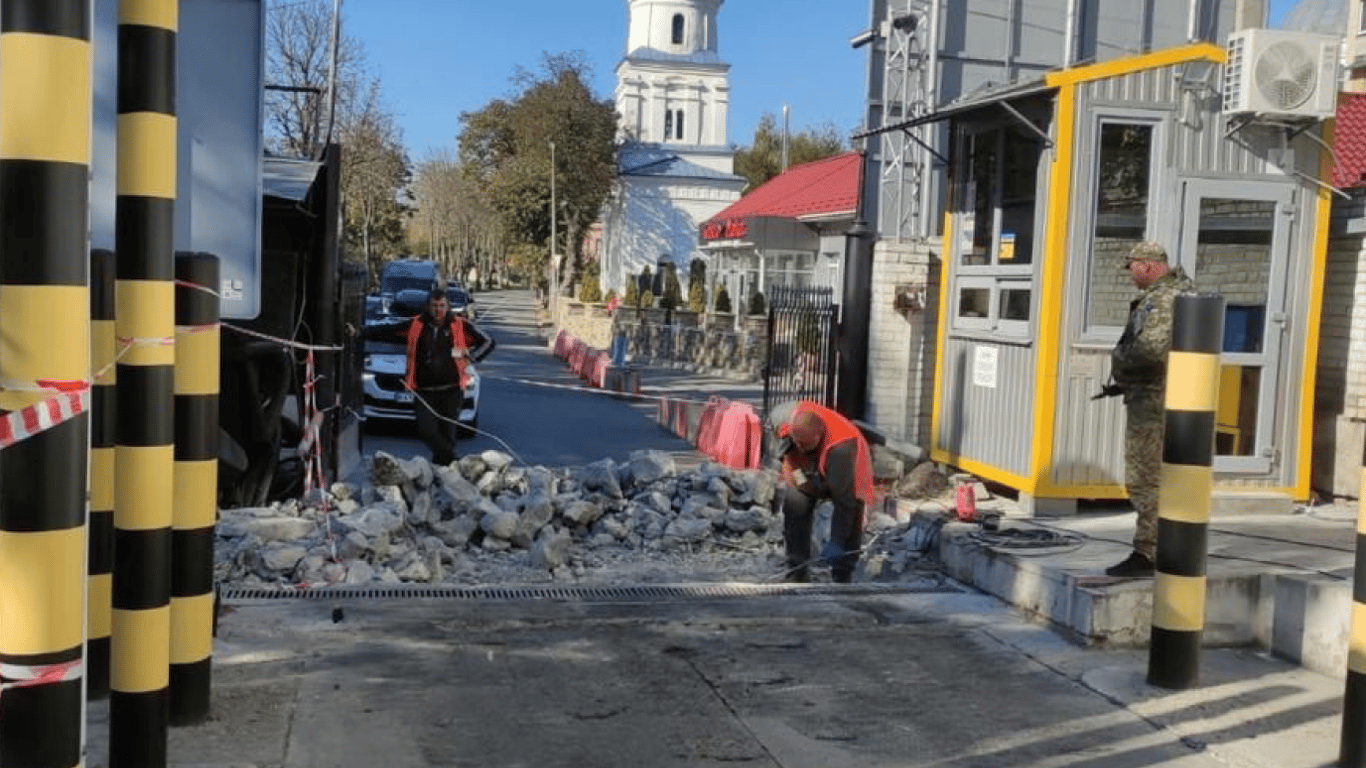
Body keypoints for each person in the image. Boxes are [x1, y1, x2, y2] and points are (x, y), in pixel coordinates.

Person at [1104, 241, 1195, 578]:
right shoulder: (1174, 293)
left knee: (1144, 477)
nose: (1130, 276)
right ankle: (1162, 548)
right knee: (1159, 477)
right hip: (1159, 396)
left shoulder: (1164, 299)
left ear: (1145, 265)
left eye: (1130, 268)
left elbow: (1152, 350)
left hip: (1153, 401)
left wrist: (1122, 364)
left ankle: (1148, 552)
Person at [358, 287, 495, 466]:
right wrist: (360, 332)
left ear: (448, 307)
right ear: (428, 307)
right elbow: (387, 330)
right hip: (424, 392)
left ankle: (442, 476)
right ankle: (453, 460)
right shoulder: (416, 325)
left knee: (448, 435)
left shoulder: (459, 325)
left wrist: (472, 356)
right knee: (427, 431)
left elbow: (488, 341)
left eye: (442, 305)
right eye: (434, 305)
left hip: (452, 391)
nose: (438, 309)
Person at [765, 400, 875, 583]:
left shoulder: (842, 448)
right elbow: (784, 457)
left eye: (805, 446)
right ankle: (797, 569)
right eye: (797, 444)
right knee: (795, 504)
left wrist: (837, 541)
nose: (800, 448)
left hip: (843, 461)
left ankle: (842, 573)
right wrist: (802, 481)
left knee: (852, 508)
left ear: (818, 437)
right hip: (803, 464)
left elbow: (844, 501)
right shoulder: (781, 419)